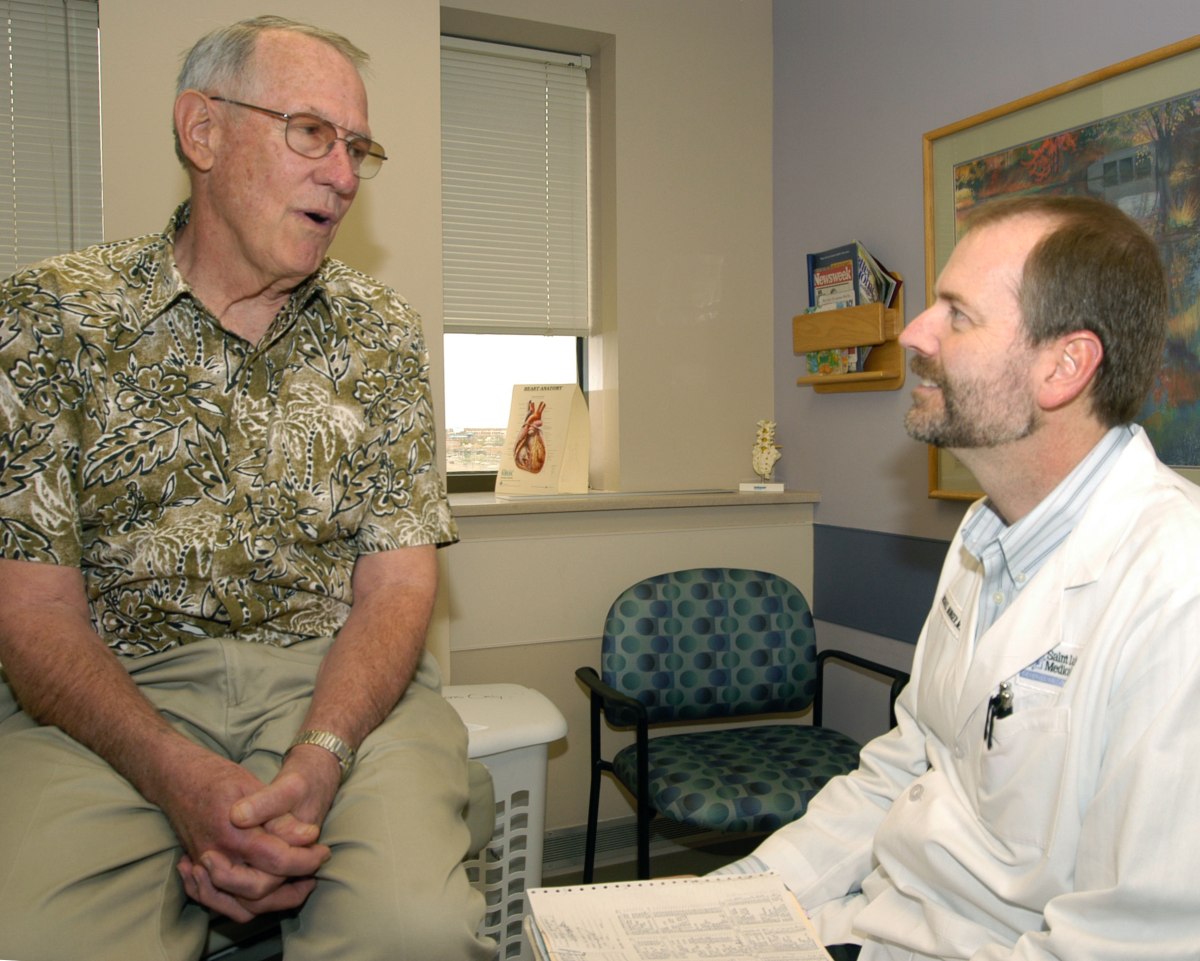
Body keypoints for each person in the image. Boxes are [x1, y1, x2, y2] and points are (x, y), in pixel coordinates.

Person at [0, 15, 493, 961]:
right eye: (311, 132)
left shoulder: (381, 334)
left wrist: (321, 757)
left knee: (414, 932)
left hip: (338, 694)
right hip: (116, 699)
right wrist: (178, 776)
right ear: (203, 131)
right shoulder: (51, 318)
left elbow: (397, 589)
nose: (344, 175)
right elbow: (32, 615)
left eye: (358, 148)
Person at [715, 194, 1200, 960]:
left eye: (957, 314)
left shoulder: (1179, 587)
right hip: (870, 925)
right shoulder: (984, 539)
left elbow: (1130, 940)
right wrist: (728, 903)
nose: (914, 331)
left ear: (1064, 365)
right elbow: (903, 771)